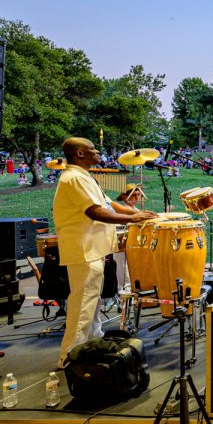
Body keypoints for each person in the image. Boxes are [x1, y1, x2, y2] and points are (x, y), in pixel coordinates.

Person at [52, 137, 157, 369]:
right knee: (82, 305)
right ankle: (69, 356)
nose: (98, 152)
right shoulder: (73, 178)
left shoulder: (84, 176)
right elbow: (97, 212)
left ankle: (90, 345)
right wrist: (132, 218)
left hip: (92, 249)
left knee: (91, 302)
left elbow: (109, 204)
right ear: (79, 154)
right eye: (92, 149)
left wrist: (135, 211)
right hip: (84, 250)